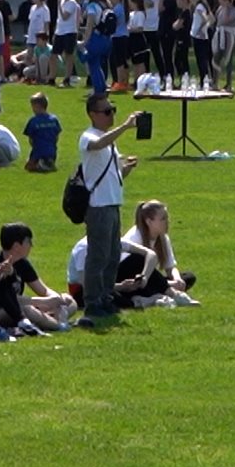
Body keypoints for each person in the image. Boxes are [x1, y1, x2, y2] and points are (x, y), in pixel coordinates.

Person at [75, 92, 144, 325]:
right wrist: (125, 126)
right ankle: (93, 301)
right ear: (93, 115)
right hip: (98, 206)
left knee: (113, 254)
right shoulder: (88, 136)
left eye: (112, 110)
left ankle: (105, 297)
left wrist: (126, 169)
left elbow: (111, 175)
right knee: (99, 255)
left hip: (112, 203)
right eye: (106, 111)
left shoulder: (109, 142)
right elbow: (97, 145)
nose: (111, 114)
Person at [23, 92, 62, 173]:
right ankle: (48, 161)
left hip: (38, 150)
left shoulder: (33, 121)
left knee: (28, 168)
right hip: (52, 151)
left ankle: (40, 163)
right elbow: (56, 137)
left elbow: (31, 139)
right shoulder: (54, 119)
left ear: (37, 106)